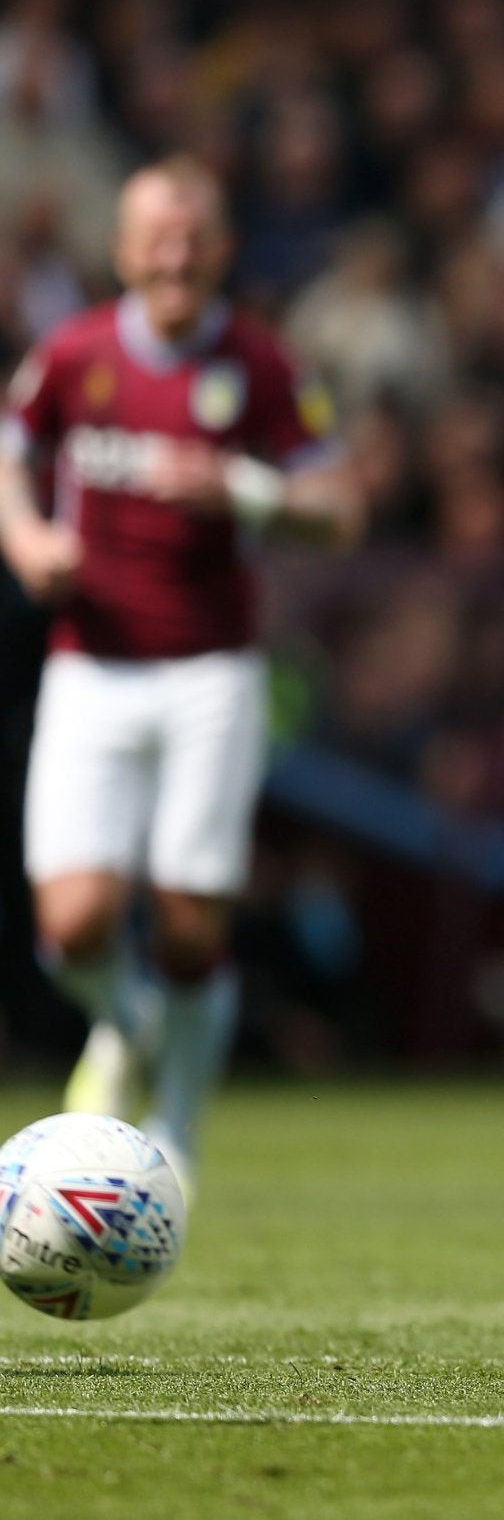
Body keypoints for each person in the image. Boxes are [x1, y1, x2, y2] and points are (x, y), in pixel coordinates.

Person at [0, 155, 362, 1197]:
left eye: (192, 232)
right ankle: (131, 1018)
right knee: (71, 924)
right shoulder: (71, 356)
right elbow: (13, 452)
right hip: (92, 664)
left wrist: (244, 489)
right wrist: (27, 543)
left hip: (211, 668)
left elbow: (341, 508)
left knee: (193, 916)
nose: (173, 250)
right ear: (120, 250)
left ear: (221, 250)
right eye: (154, 232)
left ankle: (180, 1132)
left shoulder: (259, 365)